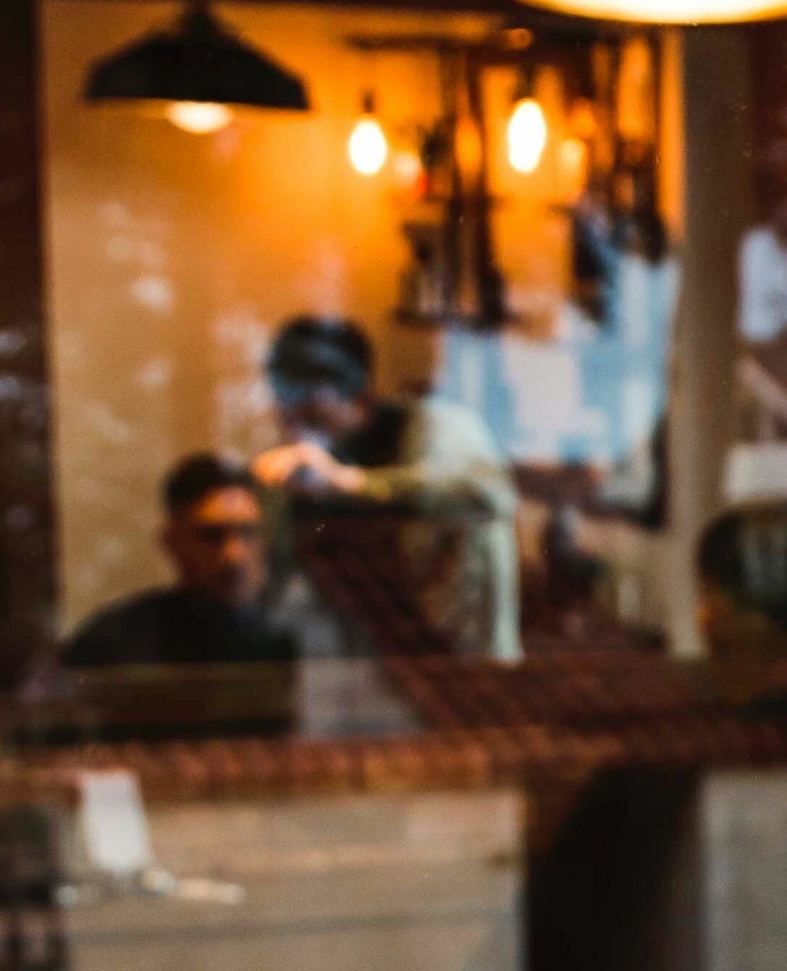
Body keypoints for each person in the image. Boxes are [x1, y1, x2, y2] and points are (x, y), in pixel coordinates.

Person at [252, 313, 522, 663]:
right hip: (380, 668)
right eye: (290, 417)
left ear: (361, 398)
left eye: (314, 416)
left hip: (465, 660)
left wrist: (351, 483)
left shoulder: (435, 425)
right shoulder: (318, 466)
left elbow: (488, 495)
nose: (302, 433)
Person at [39, 450, 302, 742]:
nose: (234, 555)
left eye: (247, 533)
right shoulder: (115, 641)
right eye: (211, 536)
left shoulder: (280, 640)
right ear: (172, 540)